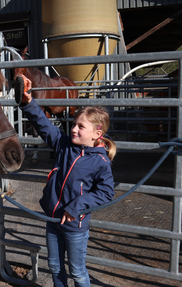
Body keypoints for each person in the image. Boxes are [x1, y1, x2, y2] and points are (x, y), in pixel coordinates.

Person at [18, 75, 116, 287]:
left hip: (75, 225)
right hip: (53, 219)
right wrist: (28, 102)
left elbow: (106, 192)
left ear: (97, 133)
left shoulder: (100, 162)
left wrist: (76, 207)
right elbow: (44, 126)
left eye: (81, 126)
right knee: (54, 266)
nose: (73, 129)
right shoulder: (64, 145)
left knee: (77, 271)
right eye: (74, 124)